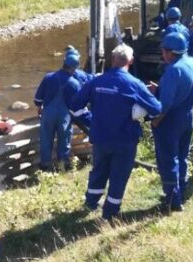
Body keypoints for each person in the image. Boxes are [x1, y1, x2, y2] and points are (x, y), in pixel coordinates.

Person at [69, 44, 162, 220]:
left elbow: (75, 106)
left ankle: (91, 202)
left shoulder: (96, 81)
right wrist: (143, 104)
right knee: (119, 176)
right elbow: (156, 108)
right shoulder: (134, 84)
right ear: (131, 61)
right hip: (124, 140)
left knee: (99, 170)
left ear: (112, 60)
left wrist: (90, 120)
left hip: (100, 138)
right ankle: (110, 212)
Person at [149, 32, 193, 212]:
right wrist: (160, 88)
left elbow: (166, 104)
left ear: (171, 52)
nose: (162, 55)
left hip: (171, 121)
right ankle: (182, 189)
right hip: (188, 115)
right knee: (182, 155)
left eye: (163, 51)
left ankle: (172, 200)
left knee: (168, 159)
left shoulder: (173, 70)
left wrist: (156, 120)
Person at [34, 53, 82, 171]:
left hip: (48, 114)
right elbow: (78, 105)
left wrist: (39, 107)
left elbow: (37, 99)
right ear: (73, 68)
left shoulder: (48, 77)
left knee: (46, 140)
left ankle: (45, 166)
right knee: (64, 140)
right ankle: (63, 165)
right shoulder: (75, 84)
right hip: (64, 116)